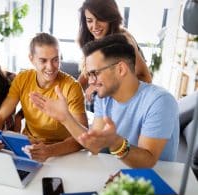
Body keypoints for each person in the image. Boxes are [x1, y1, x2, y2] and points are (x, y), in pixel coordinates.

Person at [30, 34, 179, 168]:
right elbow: (94, 146)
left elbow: (147, 162)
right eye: (89, 75)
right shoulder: (104, 97)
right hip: (115, 174)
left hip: (155, 184)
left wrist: (115, 143)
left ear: (120, 69)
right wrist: (65, 117)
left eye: (94, 73)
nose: (91, 82)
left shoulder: (160, 101)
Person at [0, 33, 88, 162]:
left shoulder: (72, 87)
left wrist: (50, 151)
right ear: (32, 59)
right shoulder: (22, 79)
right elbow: (0, 116)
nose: (50, 67)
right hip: (28, 148)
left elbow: (83, 139)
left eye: (55, 60)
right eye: (43, 60)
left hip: (62, 153)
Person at [77, 0, 152, 101]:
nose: (94, 26)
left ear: (111, 18)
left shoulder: (124, 39)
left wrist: (99, 85)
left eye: (100, 19)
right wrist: (70, 91)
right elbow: (87, 75)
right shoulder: (96, 39)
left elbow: (146, 78)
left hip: (131, 103)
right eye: (89, 21)